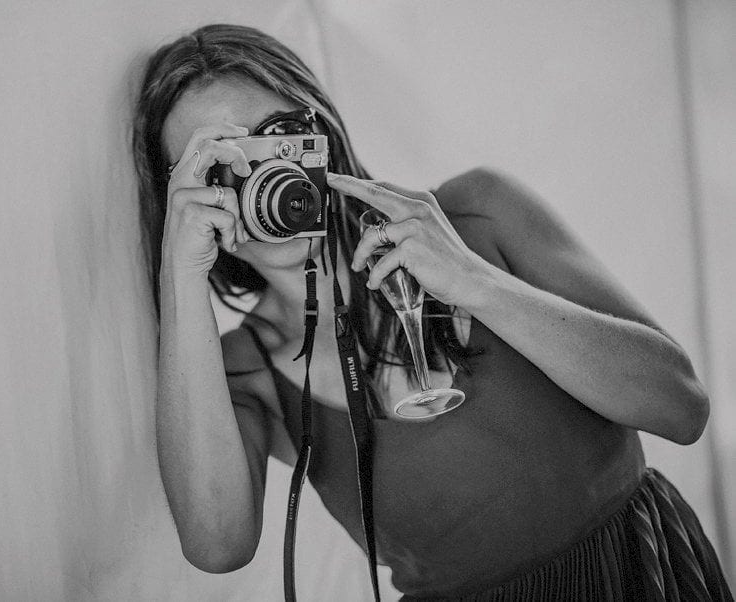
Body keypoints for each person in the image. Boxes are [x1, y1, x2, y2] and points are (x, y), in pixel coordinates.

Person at [133, 23, 732, 600]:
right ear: (185, 197)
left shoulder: (477, 216)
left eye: (276, 137)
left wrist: (475, 281)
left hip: (637, 572)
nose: (264, 175)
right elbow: (217, 547)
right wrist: (181, 274)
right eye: (221, 164)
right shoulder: (247, 365)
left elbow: (681, 408)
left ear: (323, 132)